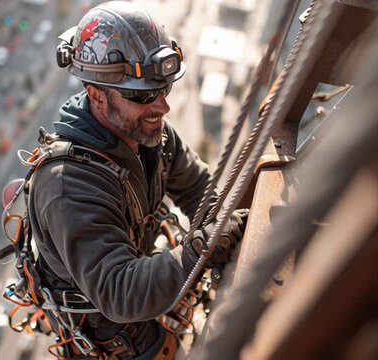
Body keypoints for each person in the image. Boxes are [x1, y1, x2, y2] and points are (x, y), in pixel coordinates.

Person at [27, 2, 247, 358]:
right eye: (143, 95)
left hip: (147, 308)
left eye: (164, 90)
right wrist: (201, 248)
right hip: (118, 342)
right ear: (96, 94)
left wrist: (220, 233)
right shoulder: (68, 187)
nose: (162, 107)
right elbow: (120, 292)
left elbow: (197, 188)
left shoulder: (150, 135)